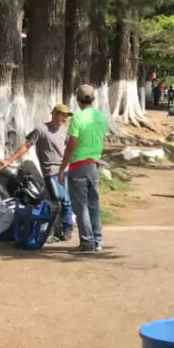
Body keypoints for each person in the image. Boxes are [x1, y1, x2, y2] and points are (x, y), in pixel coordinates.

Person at [0, 103, 73, 241]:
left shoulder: (66, 131)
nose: (65, 118)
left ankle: (66, 229)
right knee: (57, 198)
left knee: (66, 201)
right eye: (62, 115)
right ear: (55, 114)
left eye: (66, 116)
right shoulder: (41, 130)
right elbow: (26, 146)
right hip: (50, 171)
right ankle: (50, 229)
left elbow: (70, 149)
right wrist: (9, 161)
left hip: (65, 169)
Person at [58, 85, 109, 253]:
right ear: (93, 100)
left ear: (78, 101)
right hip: (94, 165)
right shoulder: (100, 117)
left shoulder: (78, 118)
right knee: (93, 203)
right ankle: (97, 240)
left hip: (79, 165)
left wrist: (62, 167)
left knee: (81, 206)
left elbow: (71, 145)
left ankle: (87, 242)